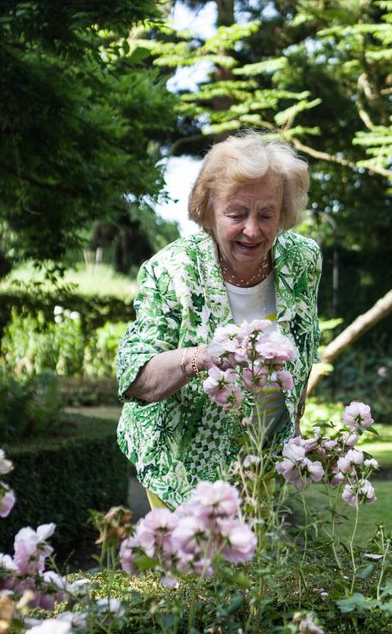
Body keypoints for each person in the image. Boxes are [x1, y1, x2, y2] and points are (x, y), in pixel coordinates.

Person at [115, 133, 322, 510]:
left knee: (260, 567)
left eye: (266, 214)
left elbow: (304, 344)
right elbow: (136, 378)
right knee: (190, 570)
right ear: (209, 210)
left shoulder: (303, 261)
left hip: (264, 463)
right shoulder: (172, 270)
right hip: (183, 468)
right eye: (236, 213)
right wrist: (201, 357)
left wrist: (294, 431)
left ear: (284, 211)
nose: (252, 230)